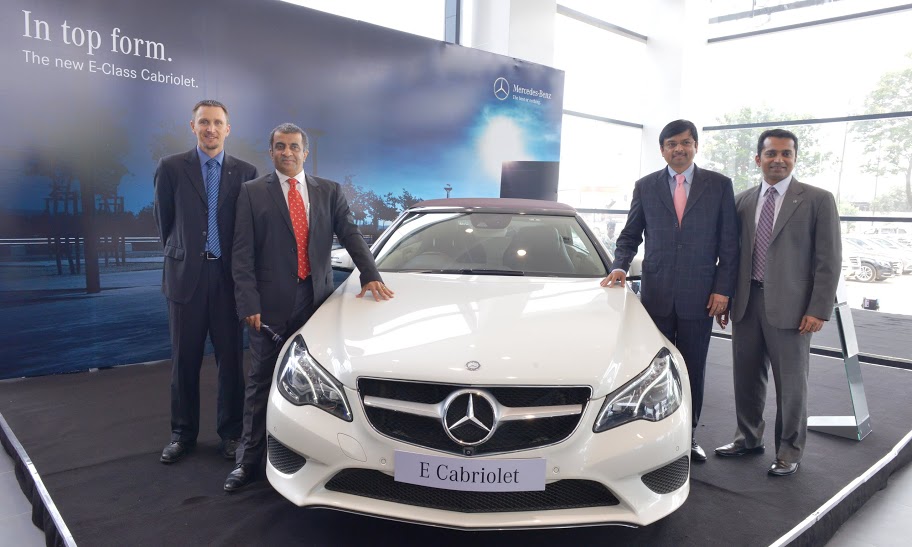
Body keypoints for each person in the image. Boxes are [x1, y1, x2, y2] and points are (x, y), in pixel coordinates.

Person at [224, 123, 394, 492]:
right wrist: (248, 301)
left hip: (317, 305)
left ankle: (311, 459)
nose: (287, 152)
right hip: (267, 309)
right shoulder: (252, 192)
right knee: (260, 381)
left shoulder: (329, 191)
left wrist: (370, 273)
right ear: (271, 151)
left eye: (293, 146)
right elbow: (241, 253)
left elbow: (350, 233)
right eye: (279, 146)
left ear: (305, 152)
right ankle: (247, 461)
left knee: (317, 387)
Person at [601, 119, 738, 462]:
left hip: (701, 295)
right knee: (653, 369)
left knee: (692, 368)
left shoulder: (719, 185)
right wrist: (619, 265)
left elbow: (729, 244)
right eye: (672, 144)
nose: (679, 149)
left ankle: (687, 436)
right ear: (662, 150)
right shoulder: (645, 186)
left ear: (696, 146)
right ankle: (653, 436)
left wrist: (723, 290)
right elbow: (630, 235)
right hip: (656, 294)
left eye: (686, 142)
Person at [714, 129, 841, 476]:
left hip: (794, 309)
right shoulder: (741, 201)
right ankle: (748, 438)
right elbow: (730, 254)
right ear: (759, 159)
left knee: (792, 385)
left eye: (786, 153)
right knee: (746, 377)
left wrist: (818, 308)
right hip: (746, 303)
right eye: (771, 153)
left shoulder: (817, 200)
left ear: (795, 158)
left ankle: (789, 450)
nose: (779, 160)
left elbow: (829, 260)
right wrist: (726, 298)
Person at [153, 100, 258, 464]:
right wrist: (186, 255)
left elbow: (246, 232)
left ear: (228, 129)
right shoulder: (170, 168)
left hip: (228, 281)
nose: (210, 128)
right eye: (204, 122)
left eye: (217, 122)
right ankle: (182, 435)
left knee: (230, 362)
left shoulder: (246, 173)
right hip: (186, 280)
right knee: (184, 361)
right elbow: (165, 223)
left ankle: (231, 434)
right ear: (193, 126)